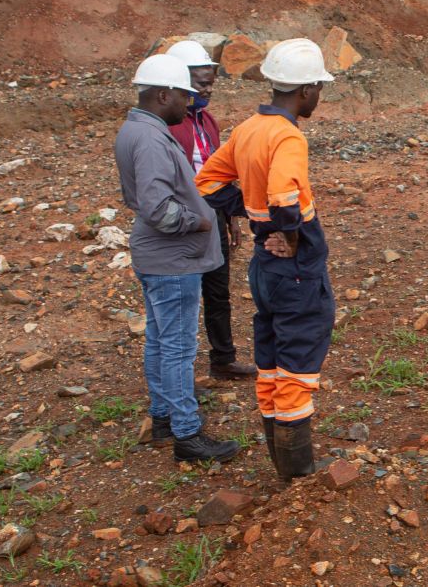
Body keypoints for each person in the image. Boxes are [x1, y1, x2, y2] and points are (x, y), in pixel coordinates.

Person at [196, 38, 336, 479]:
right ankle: (297, 470)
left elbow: (208, 183)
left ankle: (282, 460)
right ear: (307, 89)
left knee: (272, 358)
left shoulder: (247, 128)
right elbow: (284, 195)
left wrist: (254, 216)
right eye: (319, 88)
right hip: (293, 269)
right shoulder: (288, 136)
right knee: (297, 360)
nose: (319, 96)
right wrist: (288, 234)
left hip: (264, 266)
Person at [112, 54, 242, 463]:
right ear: (162, 94)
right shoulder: (151, 138)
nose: (188, 106)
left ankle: (164, 419)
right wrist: (199, 222)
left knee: (160, 341)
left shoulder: (136, 130)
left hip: (159, 256)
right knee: (178, 348)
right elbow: (157, 207)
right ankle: (187, 434)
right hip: (173, 258)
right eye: (182, 97)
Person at [163, 39, 255, 381]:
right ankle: (179, 373)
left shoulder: (208, 121)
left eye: (211, 82)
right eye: (202, 83)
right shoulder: (169, 125)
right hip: (183, 219)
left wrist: (231, 219)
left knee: (218, 290)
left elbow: (220, 173)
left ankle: (223, 359)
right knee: (183, 295)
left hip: (213, 213)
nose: (208, 89)